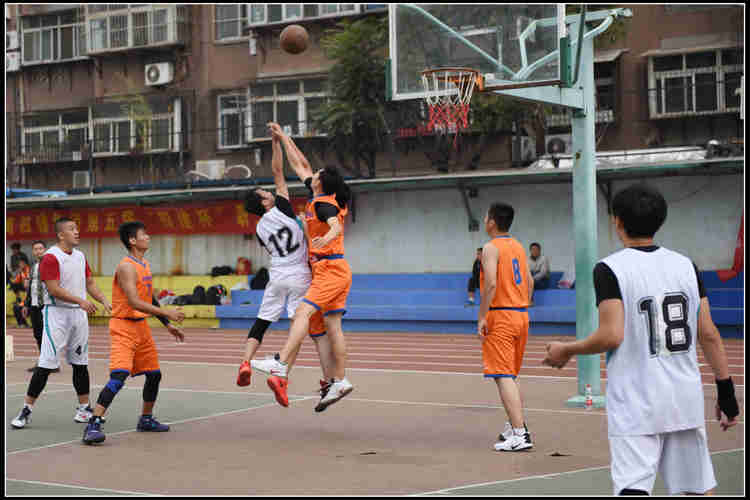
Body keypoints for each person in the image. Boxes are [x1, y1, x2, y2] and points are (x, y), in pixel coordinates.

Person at [542, 184, 740, 495]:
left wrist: (567, 349)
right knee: (696, 489)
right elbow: (709, 334)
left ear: (617, 221)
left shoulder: (610, 269)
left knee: (633, 488)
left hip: (636, 401)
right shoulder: (686, 265)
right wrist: (726, 392)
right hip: (683, 399)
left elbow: (612, 334)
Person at [252, 122, 353, 412]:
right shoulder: (321, 195)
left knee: (302, 313)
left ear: (320, 182)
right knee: (330, 327)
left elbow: (335, 226)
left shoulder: (323, 205)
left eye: (317, 174)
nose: (312, 173)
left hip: (329, 269)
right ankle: (337, 381)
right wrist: (283, 137)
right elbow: (301, 164)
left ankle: (281, 363)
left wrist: (325, 238)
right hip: (330, 269)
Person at [236, 128, 336, 405]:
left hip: (276, 275)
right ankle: (281, 372)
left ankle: (245, 362)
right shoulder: (281, 207)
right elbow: (278, 171)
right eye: (265, 193)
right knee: (299, 328)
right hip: (299, 274)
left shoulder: (259, 229)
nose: (270, 191)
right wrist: (275, 143)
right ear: (265, 201)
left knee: (262, 321)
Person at [82, 221, 186, 445]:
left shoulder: (144, 264)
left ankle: (146, 419)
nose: (148, 237)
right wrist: (166, 311)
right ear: (132, 240)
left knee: (154, 375)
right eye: (144, 234)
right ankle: (93, 423)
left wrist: (167, 324)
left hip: (141, 327)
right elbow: (134, 301)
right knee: (119, 376)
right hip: (123, 326)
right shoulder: (126, 267)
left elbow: (148, 298)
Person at [11, 218, 112, 430]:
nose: (77, 232)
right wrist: (81, 301)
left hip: (78, 315)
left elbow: (89, 282)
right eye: (71, 229)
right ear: (60, 235)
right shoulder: (51, 257)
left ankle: (84, 408)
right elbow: (54, 289)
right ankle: (26, 409)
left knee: (80, 363)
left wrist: (103, 299)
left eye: (77, 228)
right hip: (56, 314)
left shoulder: (80, 256)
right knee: (46, 364)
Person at [477, 202, 535, 452]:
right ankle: (515, 425)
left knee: (502, 375)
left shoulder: (491, 248)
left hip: (501, 315)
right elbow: (530, 282)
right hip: (521, 314)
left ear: (492, 222)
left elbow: (490, 283)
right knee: (510, 374)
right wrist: (521, 304)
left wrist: (482, 316)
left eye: (485, 216)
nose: (484, 220)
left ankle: (520, 434)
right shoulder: (518, 246)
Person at [23, 241, 58, 372]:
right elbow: (30, 287)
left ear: (45, 250)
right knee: (37, 334)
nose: (38, 251)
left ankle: (52, 363)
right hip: (34, 305)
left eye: (40, 248)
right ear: (33, 252)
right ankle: (43, 362)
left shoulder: (50, 265)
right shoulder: (33, 267)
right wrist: (26, 304)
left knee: (47, 334)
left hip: (46, 304)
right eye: (35, 249)